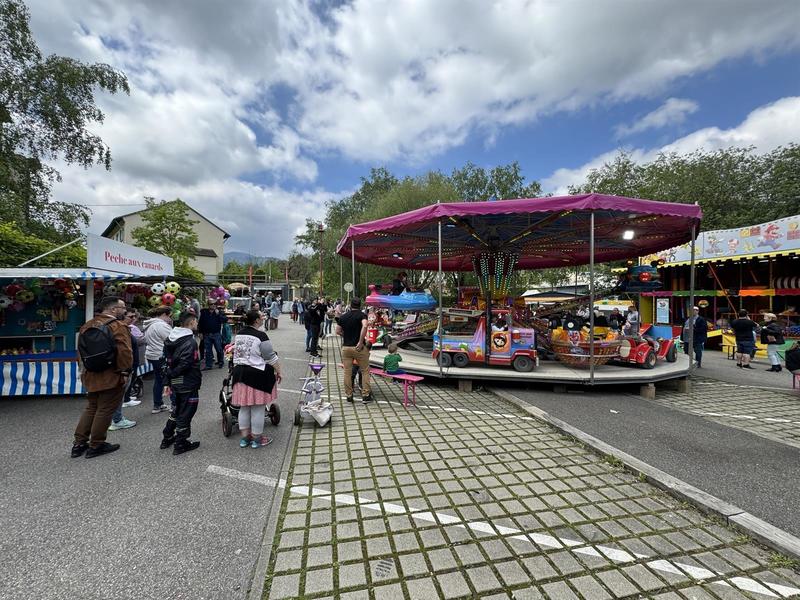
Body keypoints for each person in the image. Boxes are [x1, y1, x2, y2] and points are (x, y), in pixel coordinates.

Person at [71, 296, 132, 459]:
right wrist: (125, 372)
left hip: (90, 374)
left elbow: (80, 353)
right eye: (122, 307)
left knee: (91, 407)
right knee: (105, 409)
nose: (124, 310)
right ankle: (96, 444)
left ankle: (79, 443)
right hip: (111, 374)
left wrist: (83, 372)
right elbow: (124, 352)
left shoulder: (87, 325)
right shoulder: (117, 326)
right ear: (113, 310)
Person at [231, 310, 282, 448]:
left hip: (239, 374)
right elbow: (270, 356)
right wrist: (279, 371)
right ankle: (257, 439)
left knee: (244, 407)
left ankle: (244, 439)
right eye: (261, 317)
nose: (263, 318)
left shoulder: (239, 334)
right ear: (256, 321)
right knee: (258, 409)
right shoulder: (261, 335)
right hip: (257, 375)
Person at [160, 311, 202, 455]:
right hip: (188, 381)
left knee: (177, 409)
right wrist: (170, 375)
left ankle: (167, 436)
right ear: (191, 323)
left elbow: (167, 362)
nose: (197, 324)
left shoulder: (171, 338)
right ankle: (181, 443)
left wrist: (168, 379)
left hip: (176, 382)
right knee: (186, 412)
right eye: (196, 321)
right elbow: (186, 363)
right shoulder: (189, 341)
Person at [107, 309, 141, 433]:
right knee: (118, 395)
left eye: (134, 316)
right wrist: (125, 370)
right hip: (123, 369)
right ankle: (117, 420)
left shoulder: (126, 329)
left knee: (119, 394)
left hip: (128, 367)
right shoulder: (121, 330)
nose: (133, 319)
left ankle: (116, 418)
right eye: (130, 316)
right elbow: (123, 351)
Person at [337, 298, 373, 404]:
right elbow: (365, 325)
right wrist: (361, 341)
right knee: (365, 370)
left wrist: (346, 335)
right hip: (359, 348)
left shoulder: (343, 317)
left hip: (346, 348)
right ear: (360, 305)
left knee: (347, 372)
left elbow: (338, 331)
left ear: (350, 305)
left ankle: (349, 395)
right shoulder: (362, 315)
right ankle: (366, 395)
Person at [144, 306, 173, 414]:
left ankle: (158, 404)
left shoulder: (149, 324)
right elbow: (172, 339)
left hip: (152, 355)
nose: (171, 319)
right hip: (161, 355)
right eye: (170, 316)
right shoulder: (160, 325)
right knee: (170, 379)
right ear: (165, 314)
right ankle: (173, 404)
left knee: (159, 380)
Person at [199, 299, 227, 369]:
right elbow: (201, 323)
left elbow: (225, 320)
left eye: (215, 304)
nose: (213, 305)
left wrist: (218, 314)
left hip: (216, 334)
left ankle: (221, 362)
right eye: (211, 304)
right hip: (207, 334)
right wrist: (200, 332)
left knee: (219, 349)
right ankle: (209, 365)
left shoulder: (219, 312)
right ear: (208, 305)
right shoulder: (204, 312)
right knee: (208, 351)